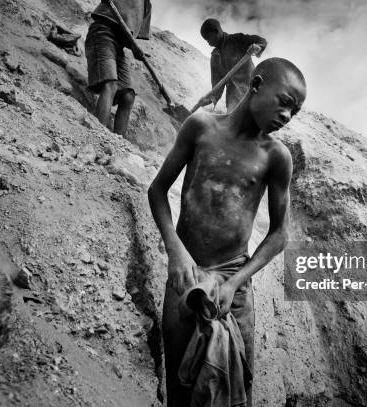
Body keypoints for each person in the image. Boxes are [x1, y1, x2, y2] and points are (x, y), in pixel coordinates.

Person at [148, 57, 306, 407]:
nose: (287, 116)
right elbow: (157, 191)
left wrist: (235, 282)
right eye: (285, 103)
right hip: (186, 275)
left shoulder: (276, 156)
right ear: (256, 84)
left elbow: (279, 235)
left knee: (235, 385)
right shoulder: (201, 127)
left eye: (294, 112)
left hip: (234, 282)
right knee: (179, 382)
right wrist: (176, 252)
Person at [85, 0, 152, 137]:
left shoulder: (147, 6)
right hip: (102, 31)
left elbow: (129, 36)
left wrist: (135, 50)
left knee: (128, 96)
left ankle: (118, 141)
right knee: (110, 84)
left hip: (119, 45)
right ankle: (99, 134)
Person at [198, 18, 268, 111]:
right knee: (234, 122)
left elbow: (262, 41)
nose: (208, 43)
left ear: (216, 31)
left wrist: (258, 46)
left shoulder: (237, 40)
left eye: (208, 38)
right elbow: (217, 85)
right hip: (233, 100)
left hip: (253, 89)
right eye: (206, 40)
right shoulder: (215, 57)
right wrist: (210, 99)